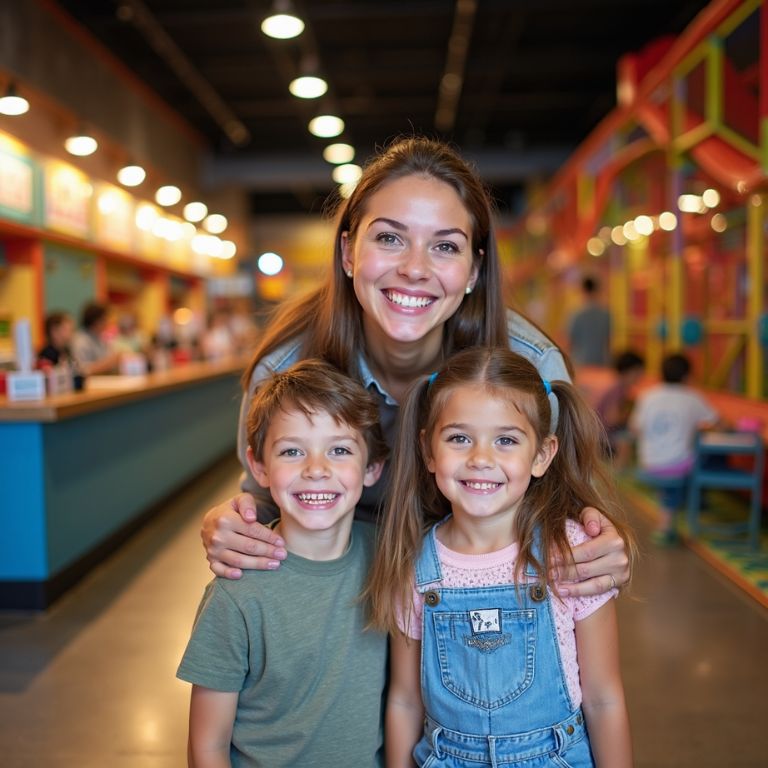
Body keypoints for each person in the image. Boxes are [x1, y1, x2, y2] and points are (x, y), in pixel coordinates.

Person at [201, 136, 630, 597]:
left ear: (473, 271)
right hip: (338, 594)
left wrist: (596, 546)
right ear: (348, 252)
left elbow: (563, 509)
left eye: (445, 247)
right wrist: (233, 526)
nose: (414, 268)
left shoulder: (532, 366)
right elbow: (264, 505)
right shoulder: (285, 368)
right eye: (389, 238)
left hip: (473, 603)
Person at [366, 347, 636, 767]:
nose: (481, 459)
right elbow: (404, 700)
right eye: (459, 438)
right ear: (428, 450)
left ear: (543, 455)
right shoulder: (414, 564)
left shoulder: (573, 552)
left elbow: (603, 698)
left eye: (506, 440)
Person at [177, 359, 388, 767]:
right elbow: (207, 746)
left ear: (372, 468)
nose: (316, 470)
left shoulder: (390, 557)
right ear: (259, 467)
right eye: (292, 451)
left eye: (340, 449)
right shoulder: (236, 590)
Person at [630, 352, 720, 544]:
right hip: (678, 464)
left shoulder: (648, 395)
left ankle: (672, 513)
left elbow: (635, 429)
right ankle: (677, 517)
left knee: (674, 467)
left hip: (648, 462)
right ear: (687, 376)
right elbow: (715, 422)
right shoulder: (692, 397)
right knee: (708, 457)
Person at [595, 350, 645, 469]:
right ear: (628, 372)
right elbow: (612, 419)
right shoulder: (617, 390)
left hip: (603, 437)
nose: (640, 376)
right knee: (626, 438)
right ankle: (618, 471)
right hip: (603, 440)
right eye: (638, 372)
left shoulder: (619, 388)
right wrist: (630, 416)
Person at [568, 275, 611, 366]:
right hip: (601, 361)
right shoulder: (606, 314)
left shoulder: (577, 313)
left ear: (583, 290)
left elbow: (570, 341)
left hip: (581, 362)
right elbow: (608, 341)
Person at [71, 301, 121, 375]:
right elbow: (82, 370)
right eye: (104, 319)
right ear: (95, 321)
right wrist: (111, 361)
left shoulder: (99, 337)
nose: (107, 322)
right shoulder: (81, 340)